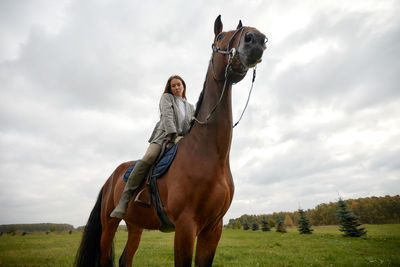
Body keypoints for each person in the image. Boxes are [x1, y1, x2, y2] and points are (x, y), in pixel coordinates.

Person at [110, 75, 195, 219]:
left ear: (184, 86)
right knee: (149, 157)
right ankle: (124, 200)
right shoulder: (167, 98)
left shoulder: (191, 107)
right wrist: (174, 135)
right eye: (173, 85)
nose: (176, 87)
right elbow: (167, 117)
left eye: (179, 85)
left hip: (183, 140)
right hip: (164, 137)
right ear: (170, 88)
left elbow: (192, 125)